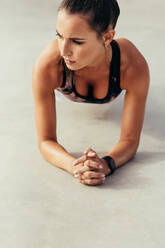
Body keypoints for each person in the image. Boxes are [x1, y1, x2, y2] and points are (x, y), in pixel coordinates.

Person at [32, 0, 150, 186]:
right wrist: (75, 166)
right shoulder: (49, 65)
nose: (64, 51)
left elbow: (130, 140)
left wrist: (106, 163)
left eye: (77, 42)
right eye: (59, 36)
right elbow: (46, 140)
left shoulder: (131, 66)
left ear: (107, 37)